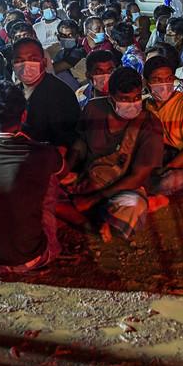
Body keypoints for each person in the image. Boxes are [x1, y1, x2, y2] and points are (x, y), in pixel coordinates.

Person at [0, 81, 63, 275]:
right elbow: (61, 169)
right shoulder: (45, 153)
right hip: (34, 258)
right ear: (23, 116)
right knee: (48, 177)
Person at [65, 66, 165, 238]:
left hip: (125, 186)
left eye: (136, 97)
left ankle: (91, 212)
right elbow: (80, 142)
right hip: (89, 177)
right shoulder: (94, 108)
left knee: (133, 205)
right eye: (124, 99)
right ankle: (95, 214)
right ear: (110, 98)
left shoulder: (150, 124)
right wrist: (69, 170)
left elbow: (137, 177)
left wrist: (93, 199)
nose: (132, 104)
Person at [144, 55, 183, 197]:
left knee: (167, 182)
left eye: (168, 79)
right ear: (146, 82)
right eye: (157, 80)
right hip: (159, 160)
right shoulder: (146, 106)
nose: (164, 84)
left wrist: (167, 168)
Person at [12, 37, 80, 151]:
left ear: (43, 63)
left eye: (32, 59)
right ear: (13, 65)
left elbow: (65, 141)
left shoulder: (60, 93)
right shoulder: (12, 93)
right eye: (19, 60)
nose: (26, 65)